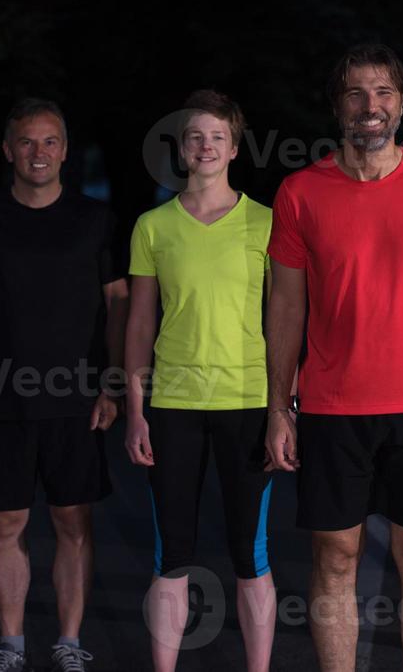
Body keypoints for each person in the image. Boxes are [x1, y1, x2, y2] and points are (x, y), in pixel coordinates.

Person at [263, 43, 403, 672]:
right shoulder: (300, 192)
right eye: (357, 93)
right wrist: (279, 408)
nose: (371, 106)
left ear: (402, 104)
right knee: (333, 557)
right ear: (337, 106)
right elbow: (284, 308)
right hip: (333, 405)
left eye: (384, 92)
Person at [0, 99, 126, 672]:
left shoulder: (94, 220)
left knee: (73, 523)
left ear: (65, 151)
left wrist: (113, 383)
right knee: (6, 523)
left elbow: (119, 300)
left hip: (76, 398)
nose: (38, 153)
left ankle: (69, 642)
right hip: (0, 397)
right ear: (7, 150)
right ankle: (12, 645)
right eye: (26, 142)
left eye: (49, 142)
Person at [123, 90, 276, 672]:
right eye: (195, 137)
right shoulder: (153, 226)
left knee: (250, 554)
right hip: (174, 406)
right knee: (172, 556)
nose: (205, 146)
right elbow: (139, 322)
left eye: (217, 136)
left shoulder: (265, 222)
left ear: (234, 148)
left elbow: (283, 320)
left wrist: (285, 407)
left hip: (249, 402)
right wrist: (136, 409)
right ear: (182, 149)